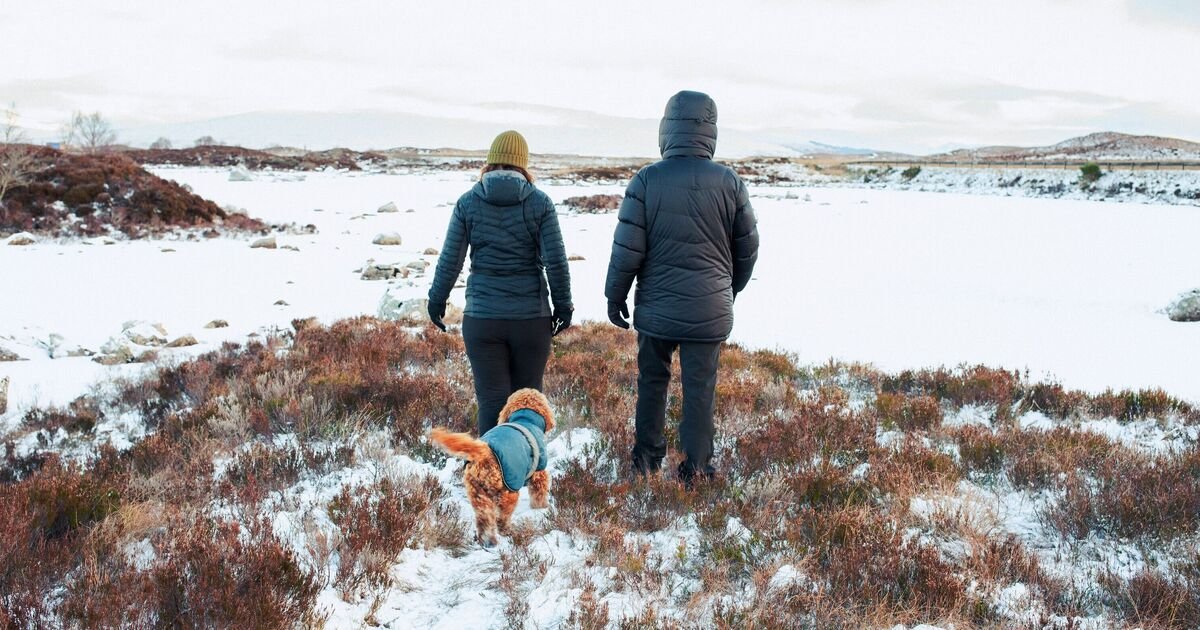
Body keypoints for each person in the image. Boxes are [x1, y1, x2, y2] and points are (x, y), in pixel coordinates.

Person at [604, 90, 760, 484]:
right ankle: (696, 469)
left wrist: (615, 295)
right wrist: (729, 289)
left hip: (656, 308)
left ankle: (646, 462)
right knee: (700, 391)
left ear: (666, 129)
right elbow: (748, 249)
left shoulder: (646, 180)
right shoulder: (730, 183)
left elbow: (626, 249)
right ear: (710, 132)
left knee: (652, 384)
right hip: (708, 310)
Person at [428, 130, 573, 435]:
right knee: (527, 405)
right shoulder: (540, 203)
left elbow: (450, 259)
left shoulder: (468, 202)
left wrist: (437, 299)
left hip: (483, 320)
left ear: (490, 162)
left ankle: (489, 478)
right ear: (523, 165)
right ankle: (524, 471)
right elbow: (556, 261)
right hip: (531, 320)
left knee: (492, 405)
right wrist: (563, 306)